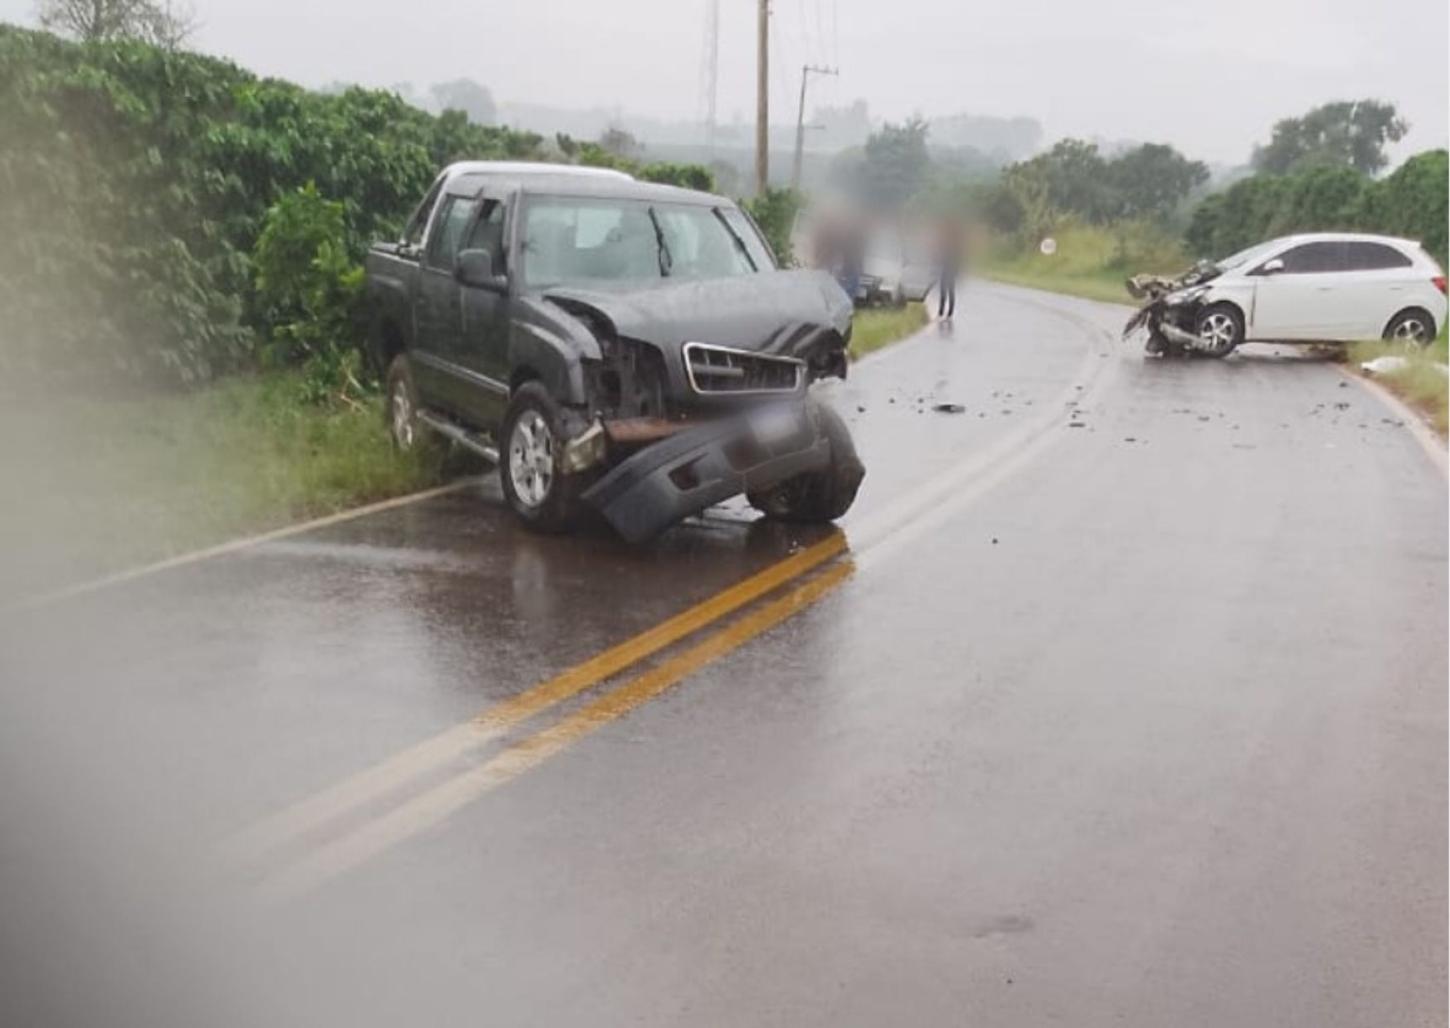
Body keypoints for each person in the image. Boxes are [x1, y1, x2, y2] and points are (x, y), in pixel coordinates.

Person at [936, 218, 965, 319]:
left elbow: (957, 259)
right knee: (945, 290)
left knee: (948, 291)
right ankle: (943, 311)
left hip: (950, 269)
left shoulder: (955, 245)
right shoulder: (949, 243)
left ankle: (946, 312)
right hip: (946, 268)